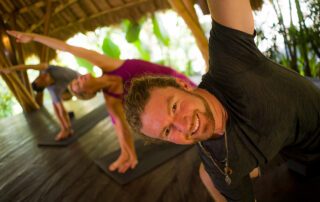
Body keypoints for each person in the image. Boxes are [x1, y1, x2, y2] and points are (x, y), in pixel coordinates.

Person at [124, 0, 320, 201]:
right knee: (211, 175)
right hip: (292, 154)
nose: (184, 125)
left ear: (182, 85)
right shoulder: (218, 164)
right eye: (167, 130)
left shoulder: (230, 60)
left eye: (174, 107)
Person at [6, 30, 196, 174]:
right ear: (88, 93)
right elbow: (121, 128)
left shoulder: (107, 65)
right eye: (77, 85)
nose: (79, 79)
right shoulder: (111, 100)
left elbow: (69, 48)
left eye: (76, 80)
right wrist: (128, 154)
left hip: (176, 81)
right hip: (169, 101)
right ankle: (127, 157)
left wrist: (32, 36)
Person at [0, 63, 79, 141]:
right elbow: (60, 110)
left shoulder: (46, 70)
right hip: (75, 88)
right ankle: (66, 129)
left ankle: (66, 129)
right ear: (42, 85)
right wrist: (66, 127)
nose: (38, 78)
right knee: (56, 107)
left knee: (57, 106)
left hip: (79, 77)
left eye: (36, 79)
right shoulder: (52, 89)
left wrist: (11, 69)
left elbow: (28, 66)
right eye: (37, 81)